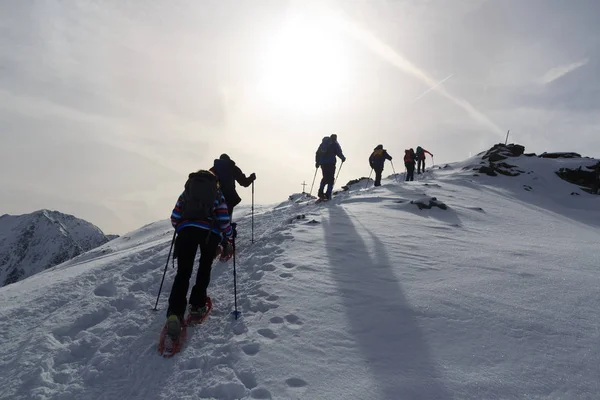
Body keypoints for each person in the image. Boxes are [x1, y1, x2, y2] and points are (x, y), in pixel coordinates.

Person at [166, 169, 234, 340]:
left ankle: (175, 313)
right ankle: (197, 306)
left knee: (183, 272)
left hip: (186, 231)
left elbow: (175, 216)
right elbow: (224, 218)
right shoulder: (216, 193)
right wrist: (228, 235)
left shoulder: (187, 191)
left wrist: (182, 227)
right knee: (204, 268)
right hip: (209, 234)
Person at [210, 154, 256, 218]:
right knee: (226, 221)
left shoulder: (213, 170)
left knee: (215, 221)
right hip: (229, 198)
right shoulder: (232, 167)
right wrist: (251, 178)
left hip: (215, 199)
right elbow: (244, 183)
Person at [315, 133, 346, 200]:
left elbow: (317, 153)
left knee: (325, 177)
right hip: (331, 163)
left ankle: (320, 192)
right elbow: (338, 152)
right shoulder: (335, 143)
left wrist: (317, 162)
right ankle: (328, 194)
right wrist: (342, 158)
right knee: (331, 179)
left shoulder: (323, 144)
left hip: (323, 163)